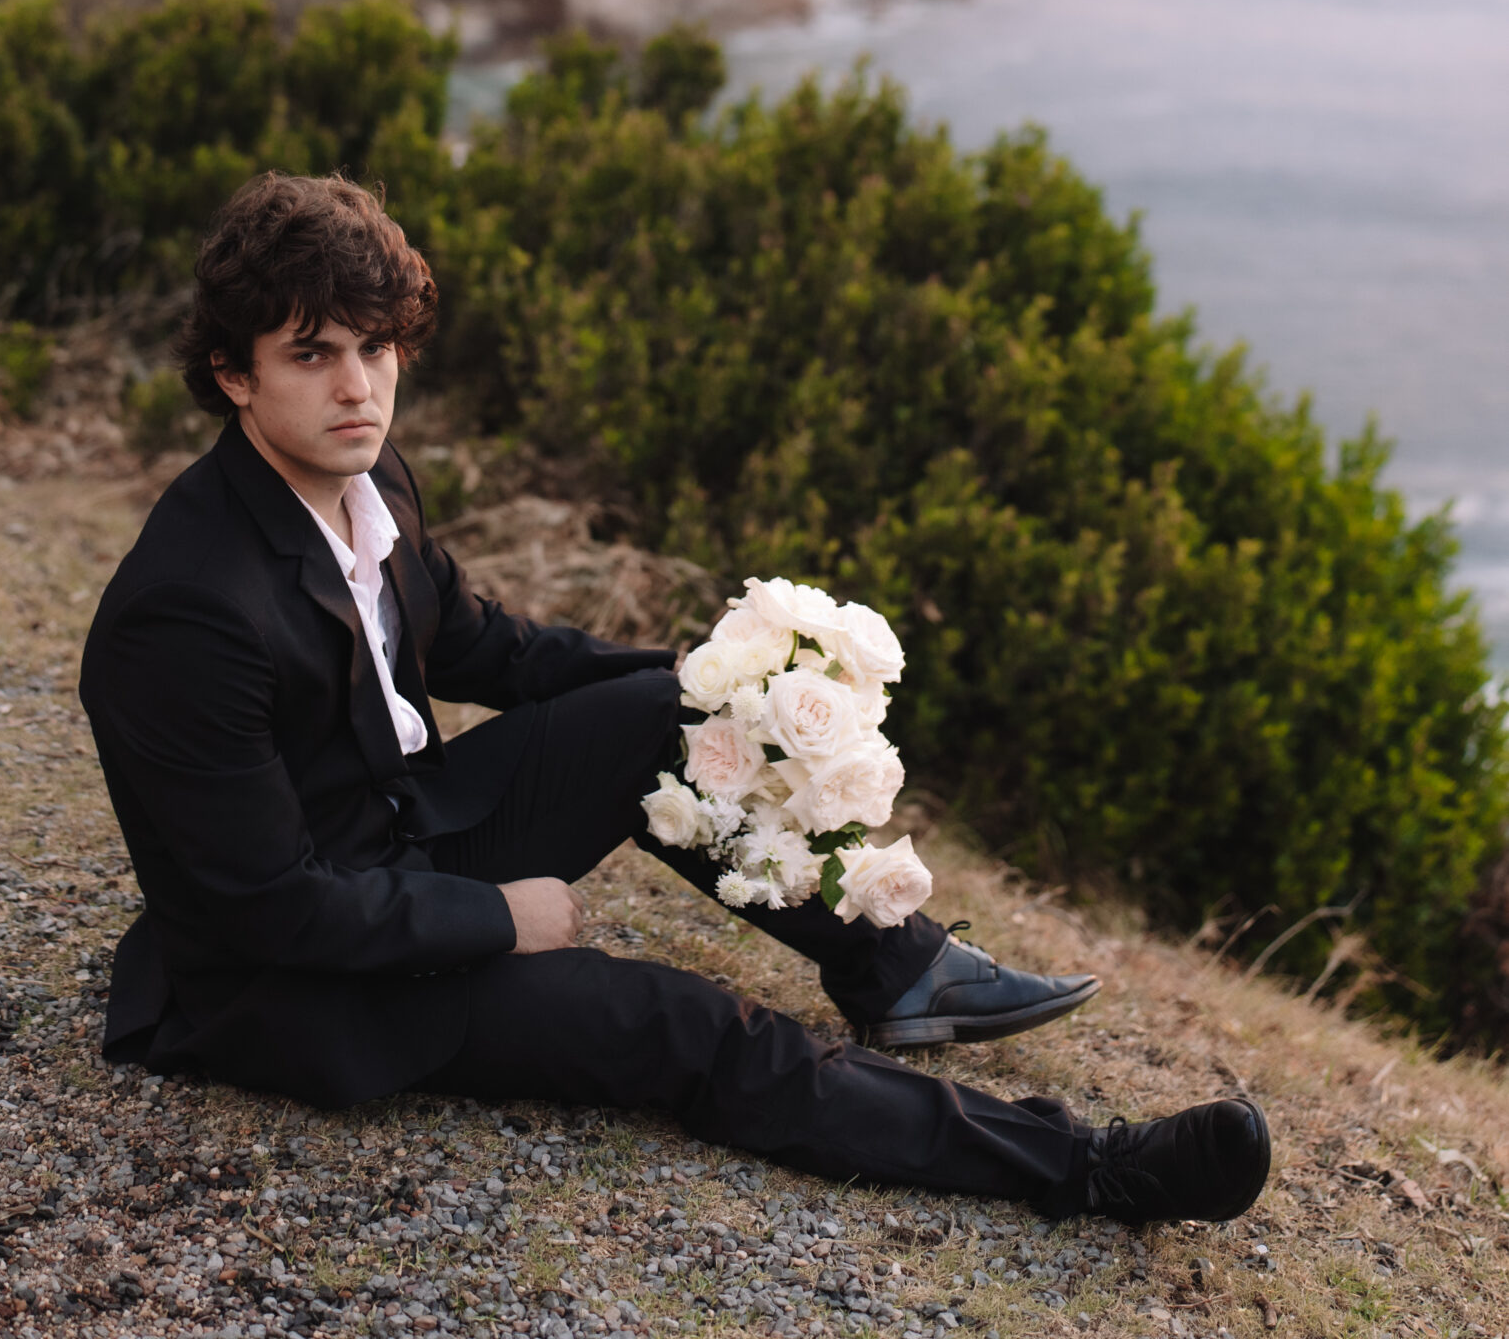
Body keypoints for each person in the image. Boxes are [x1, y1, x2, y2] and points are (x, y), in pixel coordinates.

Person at [81, 172, 1271, 1224]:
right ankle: (1095, 1170)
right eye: (313, 355)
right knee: (690, 1030)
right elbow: (264, 912)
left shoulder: (361, 470)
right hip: (302, 977)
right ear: (234, 375)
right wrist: (506, 918)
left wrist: (716, 682)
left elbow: (483, 645)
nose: (359, 386)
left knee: (678, 713)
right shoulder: (187, 612)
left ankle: (900, 972)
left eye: (376, 347)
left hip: (404, 837)